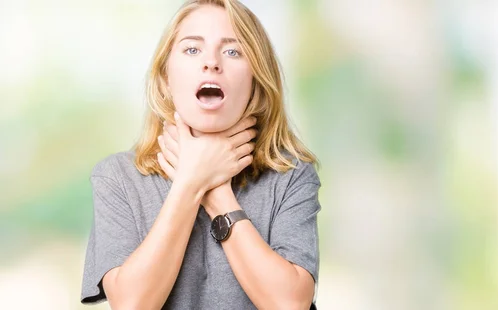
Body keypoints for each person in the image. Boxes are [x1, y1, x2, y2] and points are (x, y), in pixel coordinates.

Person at [80, 0, 321, 309]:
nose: (212, 63)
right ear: (166, 78)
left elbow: (289, 304)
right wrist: (191, 182)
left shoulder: (292, 174)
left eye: (233, 51)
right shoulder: (117, 177)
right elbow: (132, 304)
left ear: (255, 82)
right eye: (192, 49)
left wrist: (218, 193)